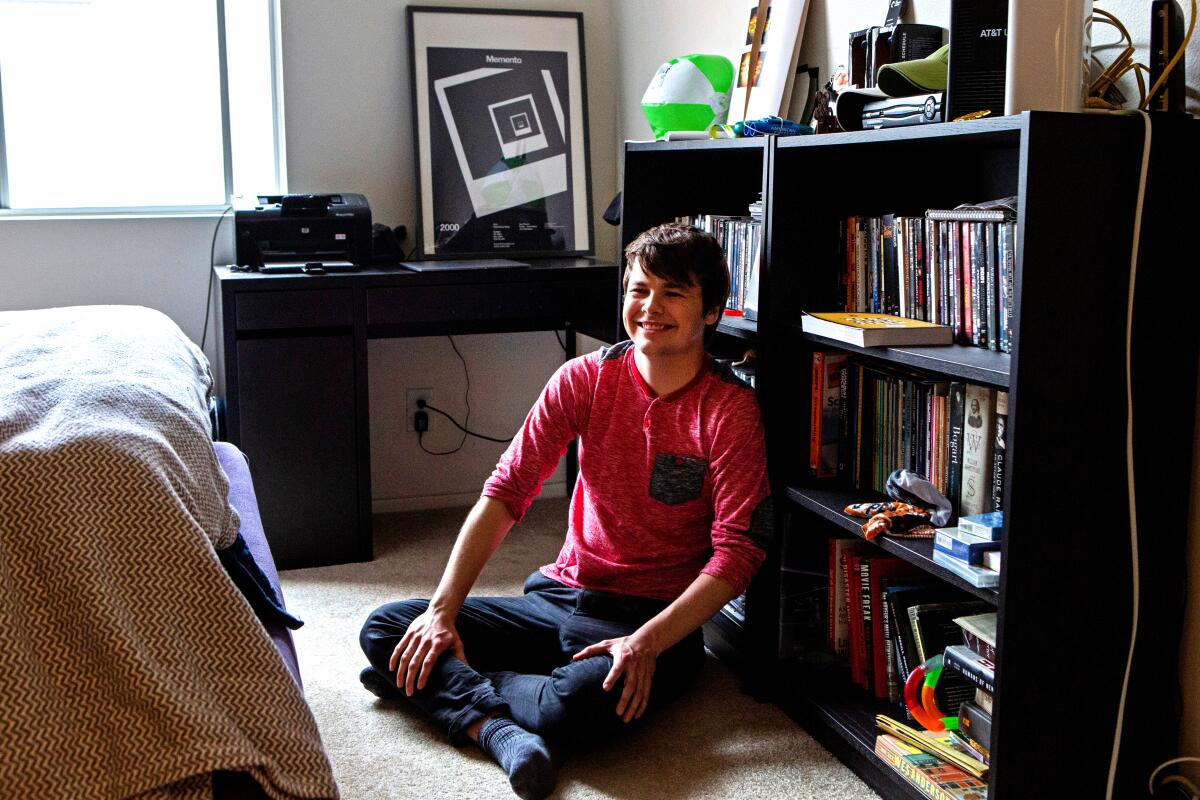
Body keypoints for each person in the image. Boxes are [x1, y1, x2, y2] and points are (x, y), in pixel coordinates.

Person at [358, 222, 772, 800]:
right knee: (390, 625)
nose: (649, 307)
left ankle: (449, 687)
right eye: (638, 289)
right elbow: (505, 493)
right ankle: (493, 727)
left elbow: (739, 554)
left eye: (673, 293)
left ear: (712, 312)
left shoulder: (730, 410)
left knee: (571, 709)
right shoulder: (585, 378)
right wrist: (441, 613)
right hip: (559, 596)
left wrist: (645, 643)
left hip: (651, 624)